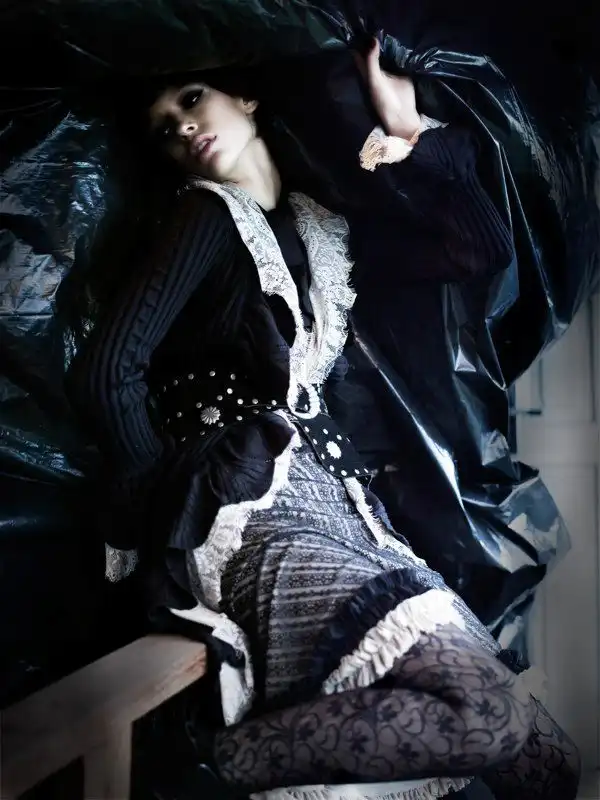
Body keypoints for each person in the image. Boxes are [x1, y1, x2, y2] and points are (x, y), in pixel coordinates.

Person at [67, 39, 580, 799]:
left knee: (550, 763)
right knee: (486, 718)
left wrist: (408, 130)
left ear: (245, 99)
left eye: (191, 98)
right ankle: (205, 770)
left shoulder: (321, 229)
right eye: (164, 127)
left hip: (344, 509)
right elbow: (108, 371)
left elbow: (479, 249)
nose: (181, 126)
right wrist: (162, 516)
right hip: (247, 511)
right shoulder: (206, 216)